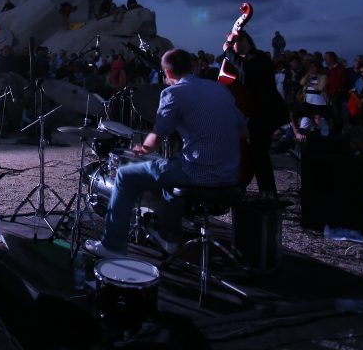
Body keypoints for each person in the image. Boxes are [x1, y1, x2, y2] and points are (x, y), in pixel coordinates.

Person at [85, 49, 246, 259]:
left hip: (198, 173)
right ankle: (168, 235)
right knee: (171, 168)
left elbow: (154, 140)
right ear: (192, 67)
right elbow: (243, 130)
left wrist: (140, 150)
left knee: (125, 176)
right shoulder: (220, 90)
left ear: (168, 73)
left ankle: (113, 245)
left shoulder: (173, 93)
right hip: (230, 174)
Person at [221, 30, 290, 197]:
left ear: (244, 40)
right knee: (258, 154)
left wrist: (228, 50)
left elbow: (247, 71)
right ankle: (266, 192)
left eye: (234, 43)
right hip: (256, 112)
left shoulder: (259, 58)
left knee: (260, 154)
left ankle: (268, 193)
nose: (233, 47)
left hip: (265, 113)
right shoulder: (251, 60)